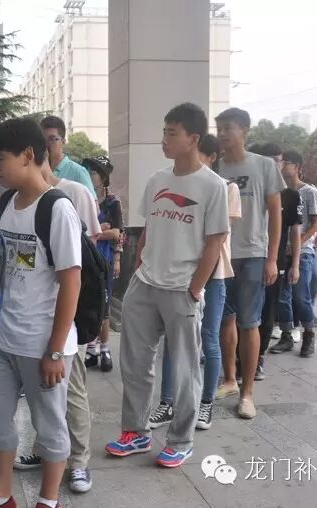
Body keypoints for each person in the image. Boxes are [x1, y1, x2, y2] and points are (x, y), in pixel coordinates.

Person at [106, 103, 229, 468]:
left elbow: (215, 242)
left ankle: (181, 440)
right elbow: (148, 229)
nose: (164, 139)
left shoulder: (213, 186)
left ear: (193, 138)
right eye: (164, 131)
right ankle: (135, 432)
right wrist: (139, 269)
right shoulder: (158, 180)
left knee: (186, 369)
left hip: (181, 290)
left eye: (171, 133)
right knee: (135, 364)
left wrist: (195, 289)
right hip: (145, 284)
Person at [0, 117, 81, 508]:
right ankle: (0, 495)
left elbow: (71, 283)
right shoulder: (5, 201)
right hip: (3, 339)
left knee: (49, 424)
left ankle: (48, 500)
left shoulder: (57, 208)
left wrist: (55, 350)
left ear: (27, 155)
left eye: (0, 159)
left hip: (43, 343)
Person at [11, 150, 100, 494]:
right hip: (31, 320)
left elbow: (86, 255)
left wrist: (65, 332)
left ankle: (78, 462)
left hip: (68, 314)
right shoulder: (15, 199)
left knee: (72, 391)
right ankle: (45, 450)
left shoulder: (74, 192)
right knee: (42, 398)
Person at [147, 133, 240, 431]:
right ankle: (167, 402)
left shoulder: (224, 187)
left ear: (210, 157)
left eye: (199, 154)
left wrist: (196, 285)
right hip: (179, 274)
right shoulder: (171, 183)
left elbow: (215, 236)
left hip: (212, 276)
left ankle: (205, 403)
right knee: (172, 341)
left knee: (209, 339)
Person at [214, 108, 284, 420]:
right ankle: (229, 380)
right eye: (218, 128)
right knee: (224, 320)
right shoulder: (214, 166)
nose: (221, 134)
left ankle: (247, 392)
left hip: (253, 254)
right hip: (222, 254)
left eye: (227, 128)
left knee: (249, 322)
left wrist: (272, 258)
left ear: (244, 131)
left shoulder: (264, 165)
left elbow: (276, 213)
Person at [233, 143, 300, 381]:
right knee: (238, 313)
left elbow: (294, 232)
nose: (275, 165)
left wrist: (295, 264)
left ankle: (258, 358)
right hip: (243, 257)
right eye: (270, 160)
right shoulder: (247, 188)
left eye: (279, 161)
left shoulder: (290, 195)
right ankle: (236, 360)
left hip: (274, 261)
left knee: (266, 311)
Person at [270, 150, 317, 357]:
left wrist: (298, 242)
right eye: (281, 162)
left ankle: (308, 334)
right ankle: (286, 335)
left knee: (301, 297)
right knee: (283, 298)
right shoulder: (279, 191)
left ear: (298, 167)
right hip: (282, 252)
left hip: (304, 252)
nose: (283, 166)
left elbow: (316, 222)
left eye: (287, 162)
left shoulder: (309, 192)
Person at [82, 156, 121, 372]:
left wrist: (95, 232)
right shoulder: (84, 197)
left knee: (104, 307)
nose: (90, 175)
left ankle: (105, 349)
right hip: (85, 259)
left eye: (94, 172)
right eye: (88, 171)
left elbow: (117, 233)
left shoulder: (113, 202)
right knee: (88, 303)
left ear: (103, 177)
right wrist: (100, 229)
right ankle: (91, 348)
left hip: (104, 259)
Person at [40, 115, 95, 197]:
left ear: (63, 141)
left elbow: (91, 202)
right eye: (42, 139)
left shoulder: (78, 172)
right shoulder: (37, 171)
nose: (46, 144)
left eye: (52, 139)